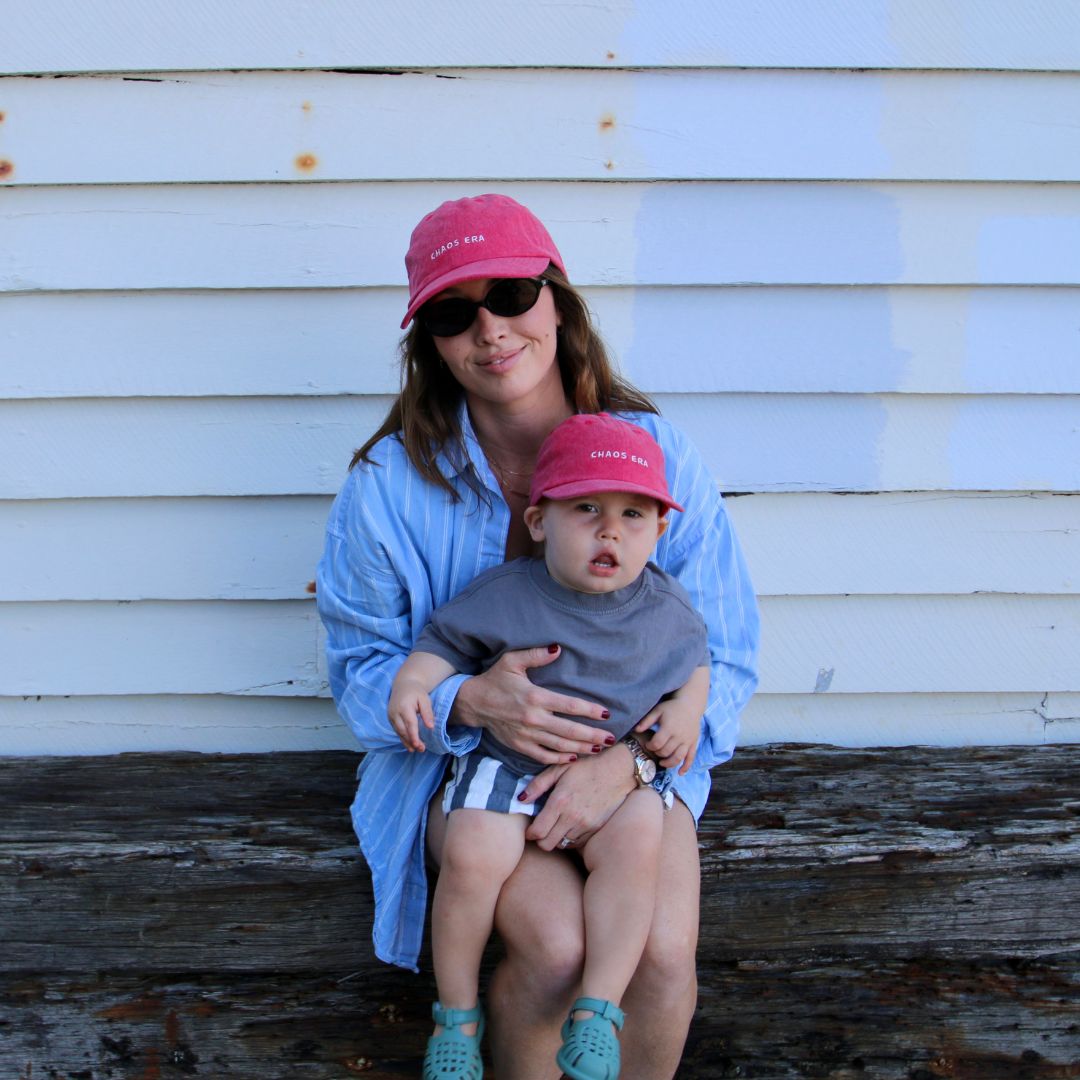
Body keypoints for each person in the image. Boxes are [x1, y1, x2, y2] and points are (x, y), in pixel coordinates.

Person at [316, 192, 759, 1079]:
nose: (490, 329)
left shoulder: (658, 455)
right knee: (557, 950)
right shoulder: (388, 486)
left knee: (659, 953)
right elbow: (360, 672)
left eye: (512, 295)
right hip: (469, 773)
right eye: (453, 313)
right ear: (430, 342)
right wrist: (467, 700)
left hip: (633, 767)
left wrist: (629, 764)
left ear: (557, 302)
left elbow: (724, 653)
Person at [389, 413, 712, 1079]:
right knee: (473, 855)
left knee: (639, 844)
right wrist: (415, 685)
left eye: (632, 514)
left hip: (614, 773)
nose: (609, 530)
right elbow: (441, 644)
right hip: (508, 765)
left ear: (659, 531)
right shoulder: (507, 594)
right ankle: (456, 1017)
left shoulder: (666, 609)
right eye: (586, 508)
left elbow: (698, 661)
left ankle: (598, 1010)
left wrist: (689, 708)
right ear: (538, 523)